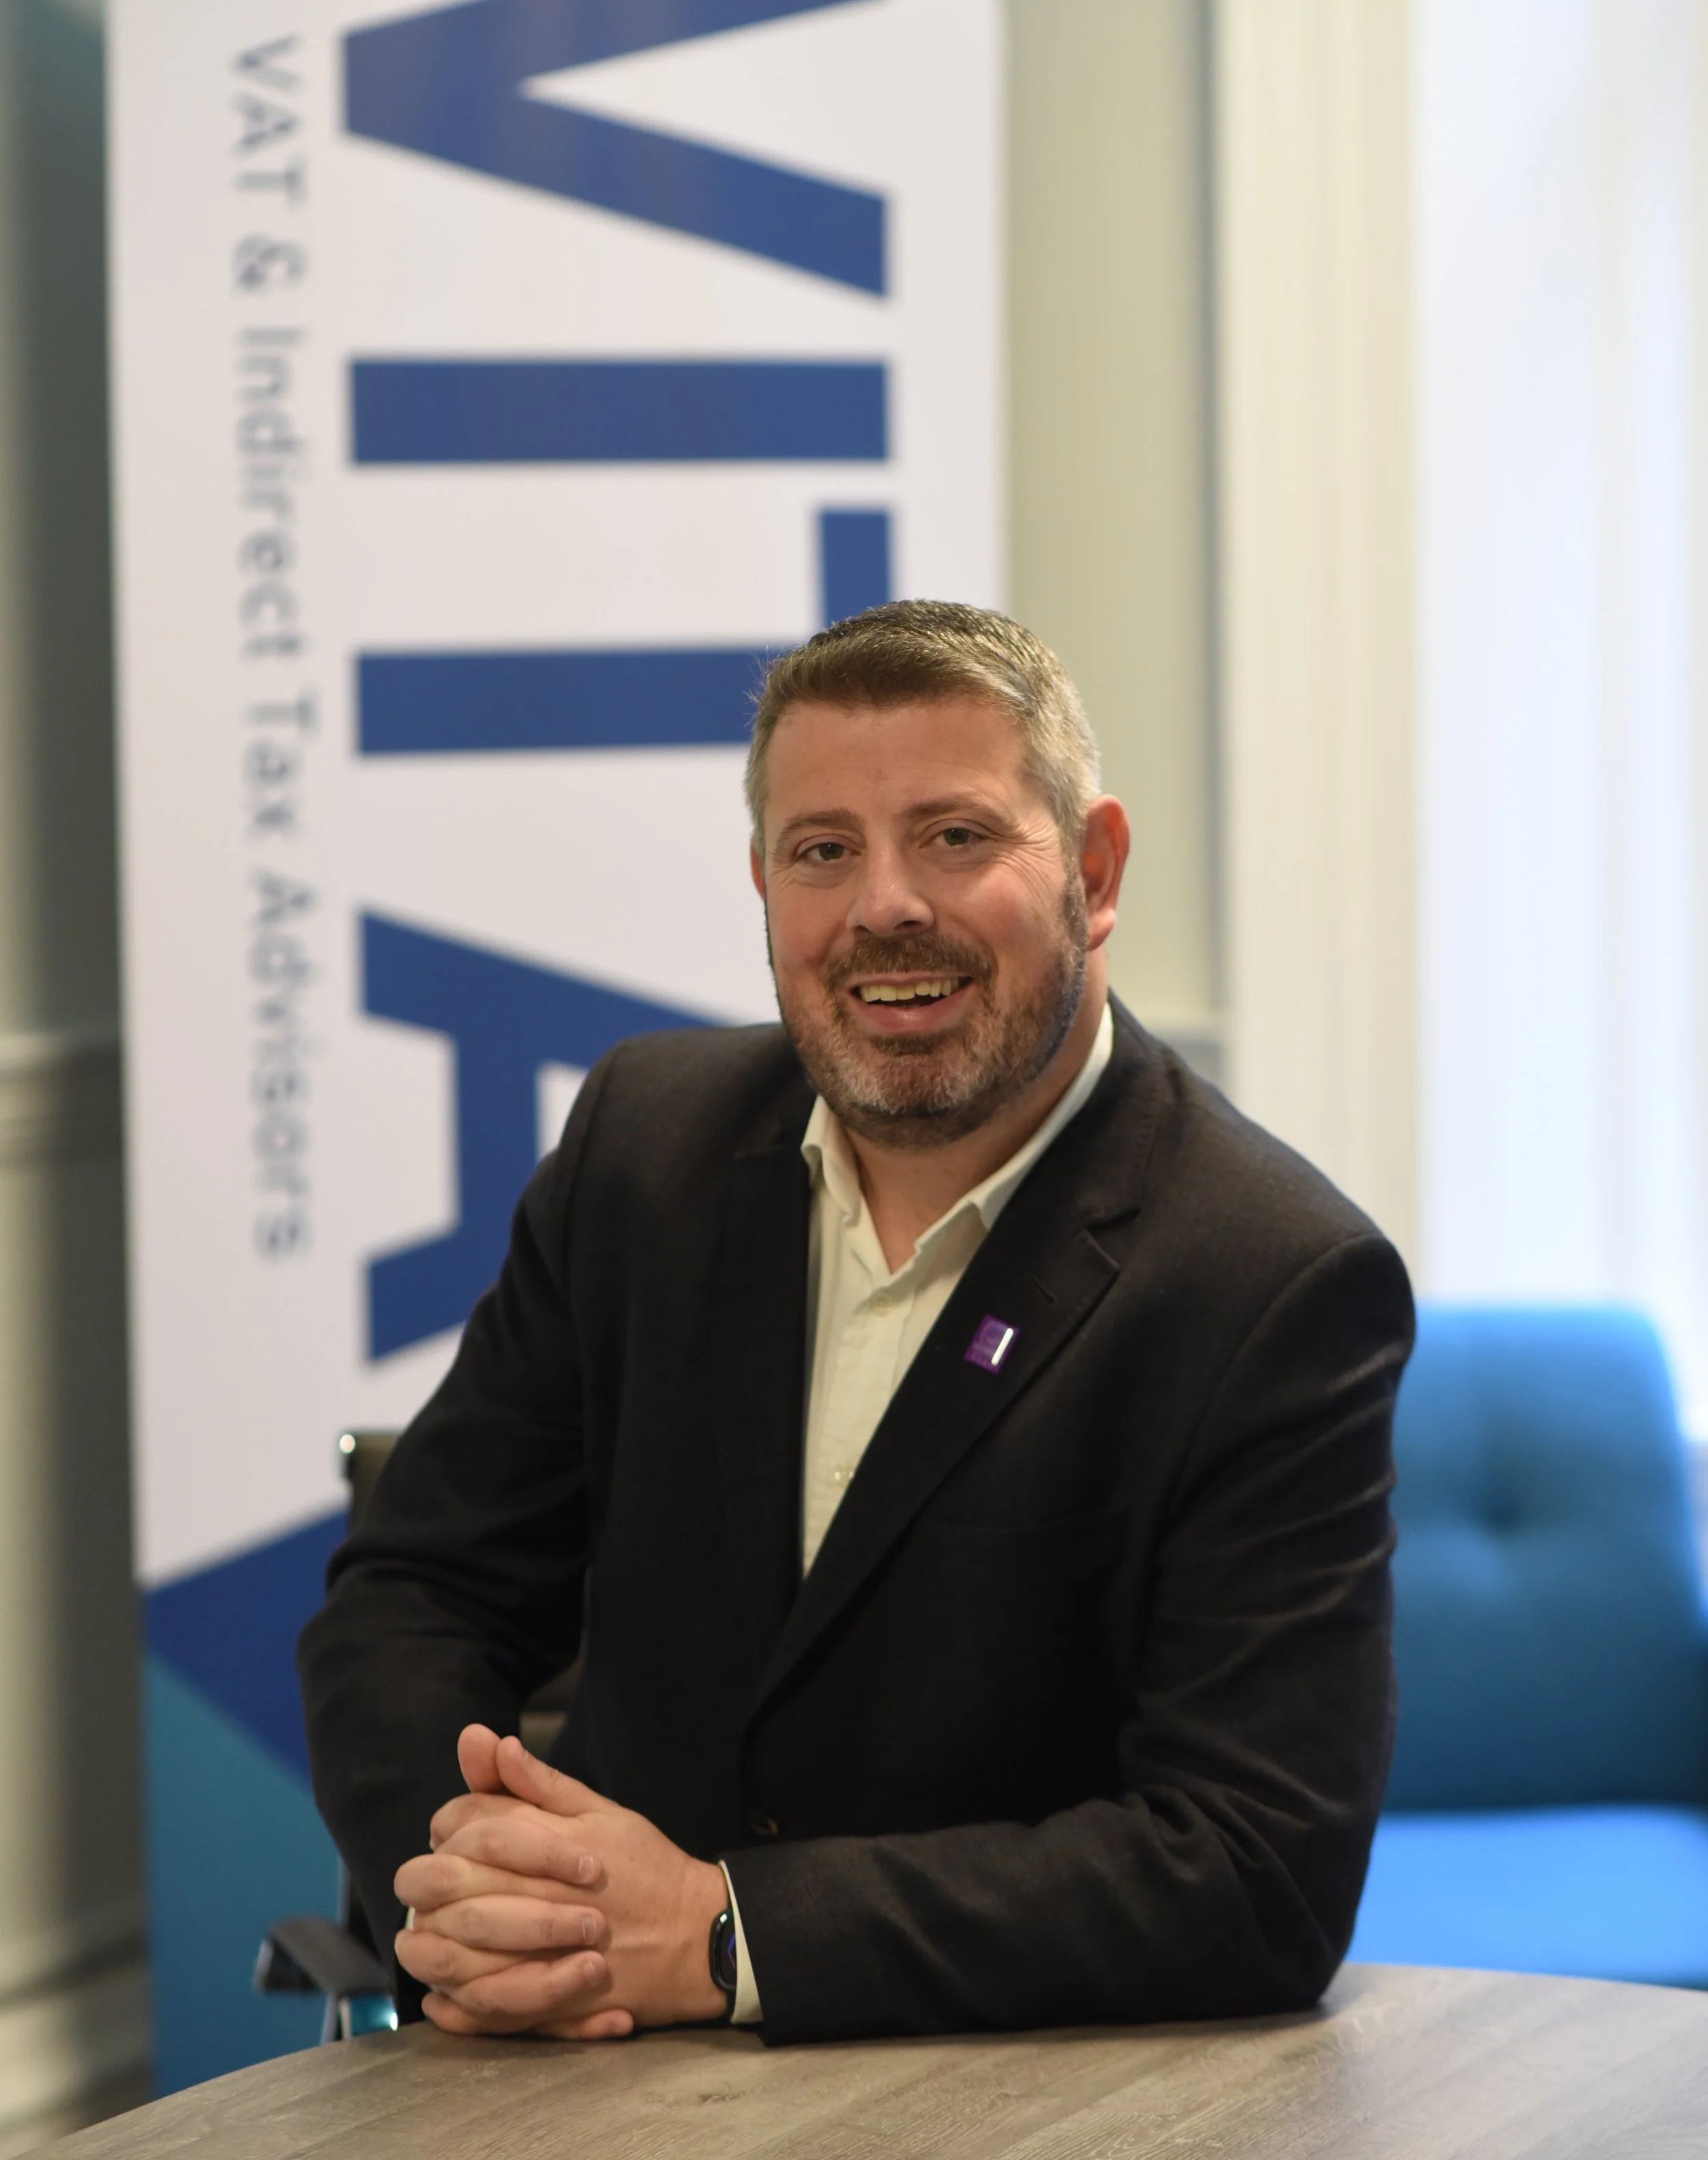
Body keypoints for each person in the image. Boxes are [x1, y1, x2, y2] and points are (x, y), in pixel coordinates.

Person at [299, 600, 1413, 2046]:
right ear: (763, 885)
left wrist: (723, 1934)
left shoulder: (1269, 1278)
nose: (883, 904)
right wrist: (471, 1894)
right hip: (581, 2067)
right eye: (822, 850)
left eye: (955, 837)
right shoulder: (646, 1145)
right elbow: (408, 1598)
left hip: (1016, 2098)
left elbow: (1251, 1867)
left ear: (1092, 869)